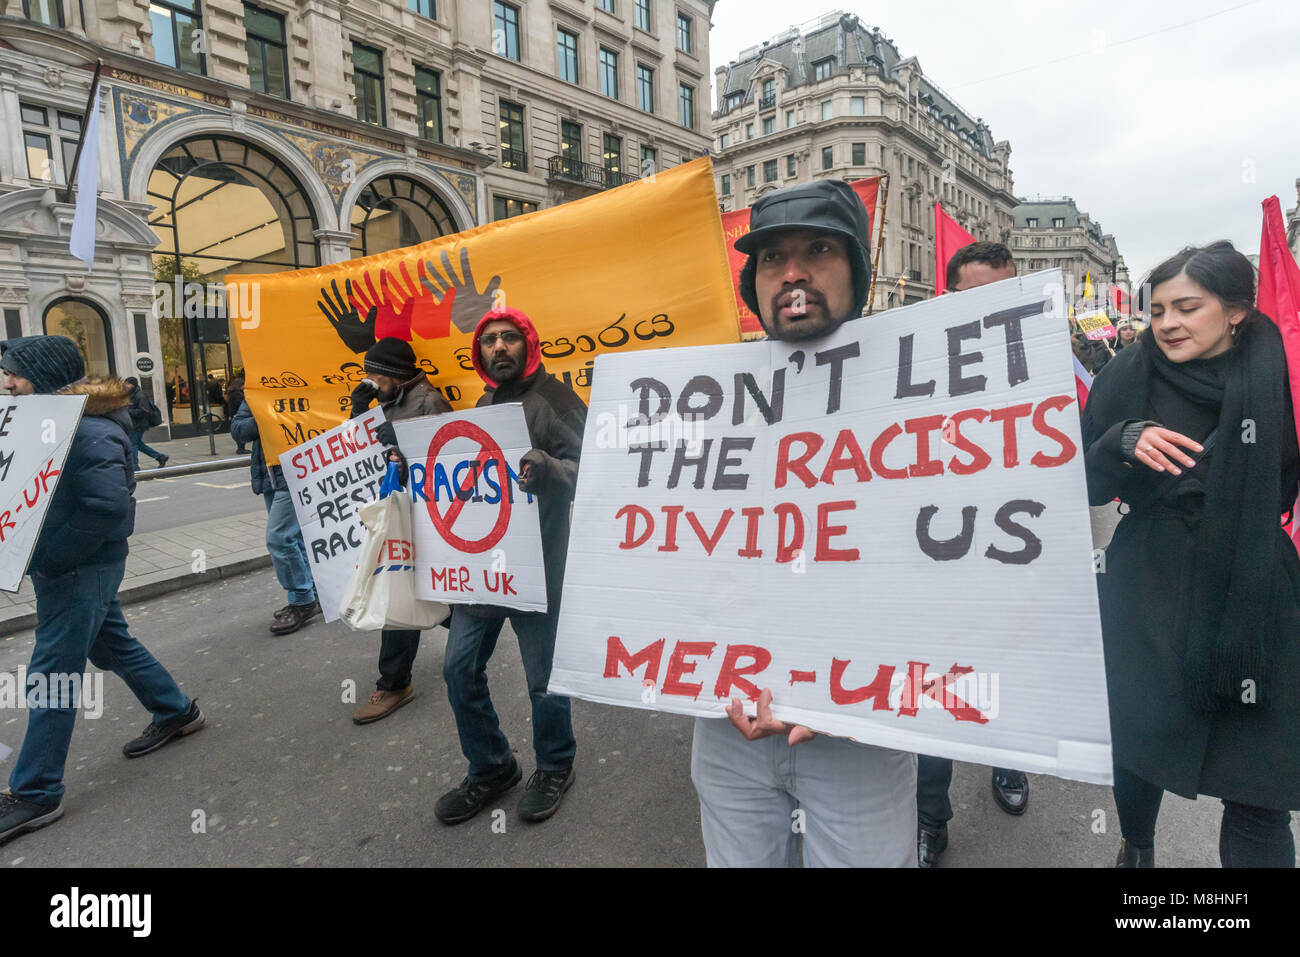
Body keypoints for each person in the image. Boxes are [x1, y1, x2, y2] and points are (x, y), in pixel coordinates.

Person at [690, 179, 916, 867]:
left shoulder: (924, 396)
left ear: (858, 268)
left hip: (862, 730)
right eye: (771, 258)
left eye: (818, 249)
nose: (792, 272)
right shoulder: (702, 402)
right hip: (728, 721)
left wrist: (839, 688)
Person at [1082, 240, 1300, 868]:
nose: (1168, 324)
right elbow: (1081, 481)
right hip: (1149, 581)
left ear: (1236, 311)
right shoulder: (1130, 371)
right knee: (1140, 742)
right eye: (1157, 311)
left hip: (1255, 584)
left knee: (1262, 785)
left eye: (1187, 307)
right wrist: (1123, 440)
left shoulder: (1283, 371)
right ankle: (1137, 848)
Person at [0, 336, 204, 846]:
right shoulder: (48, 419)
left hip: (77, 567)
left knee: (53, 673)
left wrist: (52, 556)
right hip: (71, 566)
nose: (7, 384)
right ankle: (176, 710)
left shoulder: (87, 428)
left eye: (14, 375)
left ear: (42, 378)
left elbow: (107, 507)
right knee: (110, 643)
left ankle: (37, 792)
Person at [433, 307, 584, 825]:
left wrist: (552, 469)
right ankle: (492, 765)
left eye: (509, 338)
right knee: (457, 670)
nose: (498, 347)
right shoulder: (483, 403)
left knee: (542, 680)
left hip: (538, 566)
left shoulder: (557, 400)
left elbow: (597, 470)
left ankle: (555, 764)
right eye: (489, 340)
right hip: (480, 570)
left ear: (529, 343)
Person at [914, 242, 1031, 867]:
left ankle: (1010, 759)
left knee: (1003, 665)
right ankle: (929, 815)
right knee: (933, 682)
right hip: (934, 556)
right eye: (973, 296)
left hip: (1013, 556)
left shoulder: (1043, 361)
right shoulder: (915, 364)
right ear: (947, 300)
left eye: (1002, 295)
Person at [347, 337, 453, 724]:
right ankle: (396, 681)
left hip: (422, 517)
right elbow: (356, 453)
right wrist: (360, 413)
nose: (370, 379)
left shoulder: (428, 401)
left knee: (416, 590)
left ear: (395, 373)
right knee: (404, 590)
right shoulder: (384, 400)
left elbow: (445, 462)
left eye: (376, 372)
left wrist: (404, 448)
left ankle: (396, 682)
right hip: (395, 514)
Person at [230, 399, 321, 635]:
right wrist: (266, 412)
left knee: (279, 537)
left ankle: (303, 600)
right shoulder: (255, 392)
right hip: (271, 475)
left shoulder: (301, 388)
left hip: (297, 472)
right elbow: (238, 430)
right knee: (294, 538)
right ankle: (312, 593)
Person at [122, 376, 169, 470]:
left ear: (132, 385)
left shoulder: (140, 396)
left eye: (127, 384)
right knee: (139, 445)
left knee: (132, 445)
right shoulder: (131, 395)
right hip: (133, 424)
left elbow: (144, 411)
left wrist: (128, 411)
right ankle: (160, 457)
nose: (125, 386)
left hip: (139, 425)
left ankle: (135, 467)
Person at [224, 376, 247, 453]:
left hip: (234, 413)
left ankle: (241, 448)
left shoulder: (232, 393)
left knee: (239, 430)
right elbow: (240, 404)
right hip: (238, 413)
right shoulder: (237, 394)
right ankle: (241, 449)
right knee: (241, 430)